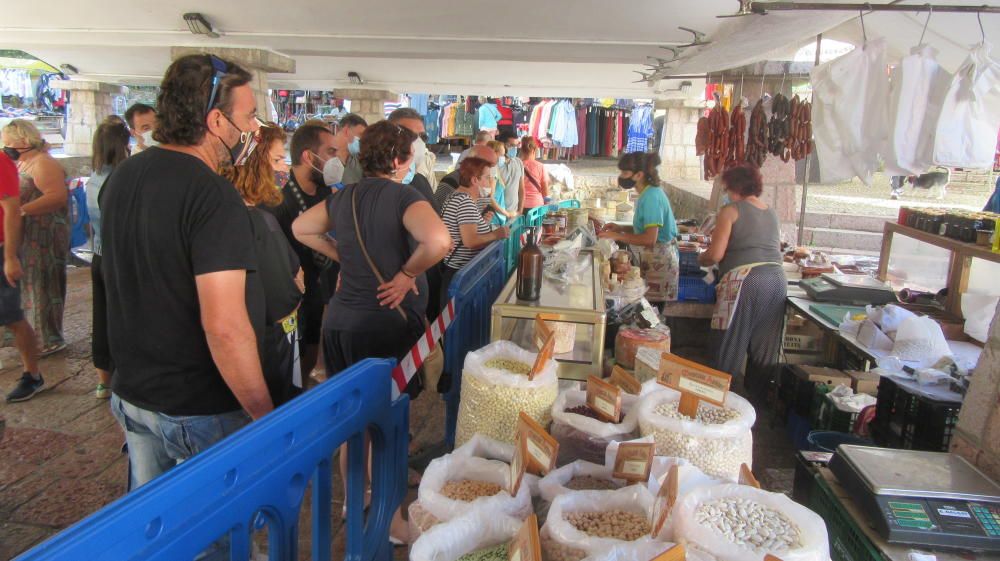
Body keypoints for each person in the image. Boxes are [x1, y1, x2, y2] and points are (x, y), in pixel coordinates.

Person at [101, 54, 271, 490]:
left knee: (154, 530)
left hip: (134, 396)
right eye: (249, 116)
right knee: (212, 540)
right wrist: (263, 414)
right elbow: (226, 327)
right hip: (199, 409)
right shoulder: (213, 196)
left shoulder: (123, 176)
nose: (254, 129)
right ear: (216, 120)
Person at [292, 120, 451, 543]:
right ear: (401, 160)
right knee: (389, 426)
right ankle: (393, 521)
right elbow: (438, 241)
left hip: (341, 325)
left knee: (353, 424)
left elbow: (301, 229)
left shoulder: (344, 197)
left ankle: (354, 498)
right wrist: (405, 274)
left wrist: (343, 256)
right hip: (385, 327)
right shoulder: (405, 195)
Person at [224, 124, 305, 407]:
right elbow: (284, 293)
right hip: (267, 351)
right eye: (276, 160)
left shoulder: (225, 213)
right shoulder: (256, 221)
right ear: (252, 165)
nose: (284, 168)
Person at [697, 163, 786, 397]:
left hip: (747, 282)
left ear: (734, 188)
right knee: (763, 347)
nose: (726, 194)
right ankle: (756, 406)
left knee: (729, 342)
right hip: (777, 280)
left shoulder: (731, 211)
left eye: (727, 189)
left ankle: (717, 399)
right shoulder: (770, 211)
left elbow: (715, 254)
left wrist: (701, 258)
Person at [265, 124, 339, 382]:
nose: (336, 161)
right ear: (309, 156)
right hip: (292, 303)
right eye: (330, 152)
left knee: (309, 359)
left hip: (321, 295)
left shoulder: (327, 194)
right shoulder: (277, 201)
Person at [0, 119, 69, 356]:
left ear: (25, 141)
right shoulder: (20, 164)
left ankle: (48, 337)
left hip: (44, 236)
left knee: (44, 286)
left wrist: (23, 210)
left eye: (11, 144)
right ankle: (31, 338)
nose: (7, 148)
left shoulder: (43, 163)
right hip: (26, 235)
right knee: (28, 287)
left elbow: (57, 196)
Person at [85, 117, 131, 399]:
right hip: (119, 259)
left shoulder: (94, 178)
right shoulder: (122, 179)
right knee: (123, 317)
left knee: (101, 317)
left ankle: (104, 380)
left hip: (98, 256)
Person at [598, 152, 679, 302]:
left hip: (659, 263)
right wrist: (620, 229)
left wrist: (617, 236)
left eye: (625, 172)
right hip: (651, 260)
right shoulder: (646, 194)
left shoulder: (651, 197)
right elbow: (643, 229)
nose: (622, 176)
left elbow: (650, 238)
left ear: (639, 175)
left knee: (653, 311)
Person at [0, 151, 43, 403]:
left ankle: (32, 374)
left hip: (2, 248)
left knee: (12, 316)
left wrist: (10, 256)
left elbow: (11, 209)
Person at [439, 156, 510, 304]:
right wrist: (496, 234)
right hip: (462, 277)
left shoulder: (455, 196)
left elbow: (460, 231)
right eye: (486, 177)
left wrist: (482, 223)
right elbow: (470, 241)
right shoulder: (465, 201)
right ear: (474, 180)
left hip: (456, 273)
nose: (490, 182)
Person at [388, 107, 436, 203]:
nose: (418, 142)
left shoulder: (420, 181)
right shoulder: (372, 186)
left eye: (423, 136)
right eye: (410, 136)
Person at [434, 144, 498, 213]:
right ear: (472, 162)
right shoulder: (449, 182)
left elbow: (485, 206)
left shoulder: (483, 181)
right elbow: (436, 212)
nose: (491, 170)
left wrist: (488, 212)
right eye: (487, 165)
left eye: (492, 166)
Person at [484, 140, 519, 225]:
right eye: (502, 155)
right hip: (494, 218)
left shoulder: (490, 169)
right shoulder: (492, 170)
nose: (504, 157)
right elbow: (490, 199)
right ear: (494, 153)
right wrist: (508, 214)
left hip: (494, 217)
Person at [497, 132, 524, 216]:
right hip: (497, 214)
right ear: (502, 145)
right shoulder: (494, 164)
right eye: (511, 145)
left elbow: (521, 189)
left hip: (514, 213)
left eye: (516, 146)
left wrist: (520, 210)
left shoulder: (518, 162)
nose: (514, 148)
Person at [336, 114, 368, 186]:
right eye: (361, 134)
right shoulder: (326, 158)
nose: (362, 140)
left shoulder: (360, 160)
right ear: (346, 130)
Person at [519, 136, 548, 212]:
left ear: (521, 150)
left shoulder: (517, 165)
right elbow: (545, 189)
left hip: (520, 206)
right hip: (536, 205)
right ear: (534, 150)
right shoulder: (540, 166)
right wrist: (547, 204)